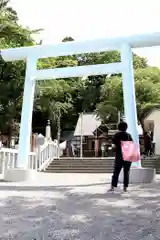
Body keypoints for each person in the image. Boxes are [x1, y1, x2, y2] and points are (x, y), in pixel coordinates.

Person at [109, 121, 133, 192]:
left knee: (116, 171)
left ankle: (113, 186)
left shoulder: (116, 135)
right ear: (126, 128)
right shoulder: (129, 135)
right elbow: (132, 145)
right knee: (126, 172)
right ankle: (125, 187)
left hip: (119, 155)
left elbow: (113, 146)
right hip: (127, 156)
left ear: (118, 127)